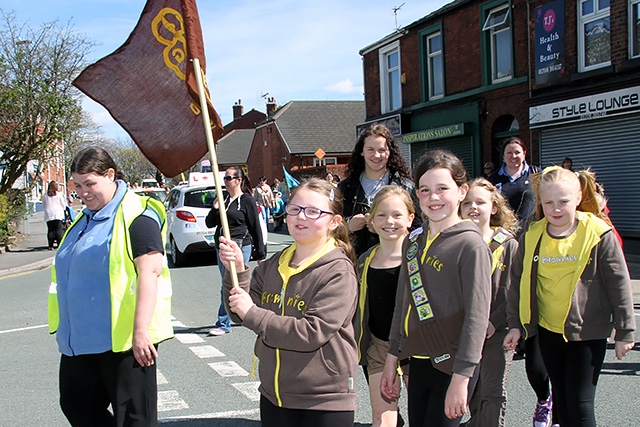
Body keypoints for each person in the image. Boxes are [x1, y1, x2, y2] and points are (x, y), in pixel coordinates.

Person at [47, 146, 173, 426]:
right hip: (79, 341)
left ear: (111, 175)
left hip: (125, 341)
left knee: (133, 419)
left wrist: (141, 332)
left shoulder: (137, 214)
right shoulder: (83, 219)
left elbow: (149, 273)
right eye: (77, 185)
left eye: (90, 183)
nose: (83, 192)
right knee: (75, 405)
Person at [218, 178, 358, 427]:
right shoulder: (274, 264)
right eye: (295, 208)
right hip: (275, 396)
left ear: (334, 222)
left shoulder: (338, 272)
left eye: (313, 211)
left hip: (323, 400)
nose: (301, 217)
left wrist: (253, 313)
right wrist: (238, 270)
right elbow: (239, 312)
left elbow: (311, 332)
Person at [503, 166, 636, 427]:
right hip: (547, 331)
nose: (556, 209)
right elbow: (516, 283)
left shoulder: (598, 233)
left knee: (580, 403)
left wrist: (625, 331)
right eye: (548, 202)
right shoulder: (532, 235)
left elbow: (619, 283)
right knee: (562, 401)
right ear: (540, 201)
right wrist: (516, 324)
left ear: (578, 197)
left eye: (563, 201)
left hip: (587, 333)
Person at [381, 149, 491, 427]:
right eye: (425, 190)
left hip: (453, 364)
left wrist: (461, 379)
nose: (433, 197)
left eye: (443, 188)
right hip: (417, 360)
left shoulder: (471, 245)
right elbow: (403, 303)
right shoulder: (413, 242)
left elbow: (477, 318)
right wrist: (392, 359)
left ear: (462, 190)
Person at [460, 178, 519, 427]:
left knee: (492, 392)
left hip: (497, 332)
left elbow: (513, 290)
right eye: (467, 203)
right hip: (464, 331)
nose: (473, 207)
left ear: (494, 207)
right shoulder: (458, 243)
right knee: (471, 391)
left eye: (480, 202)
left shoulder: (508, 245)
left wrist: (494, 321)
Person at [354, 185, 415, 427]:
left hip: (416, 347)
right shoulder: (365, 260)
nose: (389, 221)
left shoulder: (419, 257)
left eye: (397, 215)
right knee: (382, 420)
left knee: (425, 416)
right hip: (378, 347)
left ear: (410, 218)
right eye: (381, 215)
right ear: (371, 220)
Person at [338, 124, 421, 257]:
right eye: (370, 149)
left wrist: (387, 229)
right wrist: (348, 226)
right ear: (362, 151)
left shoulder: (406, 187)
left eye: (382, 150)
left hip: (398, 261)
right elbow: (328, 228)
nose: (376, 155)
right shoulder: (345, 188)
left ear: (389, 152)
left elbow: (418, 229)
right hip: (355, 262)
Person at [206, 166, 266, 336]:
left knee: (231, 283)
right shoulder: (224, 199)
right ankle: (240, 312)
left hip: (240, 246)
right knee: (228, 284)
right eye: (224, 178)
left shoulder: (246, 200)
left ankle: (224, 322)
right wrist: (215, 208)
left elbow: (255, 227)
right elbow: (210, 223)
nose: (226, 181)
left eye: (229, 178)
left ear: (238, 180)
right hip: (222, 247)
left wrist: (260, 253)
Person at [488, 137, 539, 228]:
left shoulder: (536, 174)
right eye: (509, 153)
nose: (513, 156)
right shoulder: (493, 179)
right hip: (503, 230)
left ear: (524, 154)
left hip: (531, 229)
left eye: (517, 152)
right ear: (503, 156)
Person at [42, 181, 67, 250]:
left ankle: (50, 245)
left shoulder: (45, 195)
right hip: (57, 213)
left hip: (48, 213)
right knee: (58, 229)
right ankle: (59, 244)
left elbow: (43, 205)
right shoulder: (59, 194)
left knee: (50, 230)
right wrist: (64, 210)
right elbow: (63, 204)